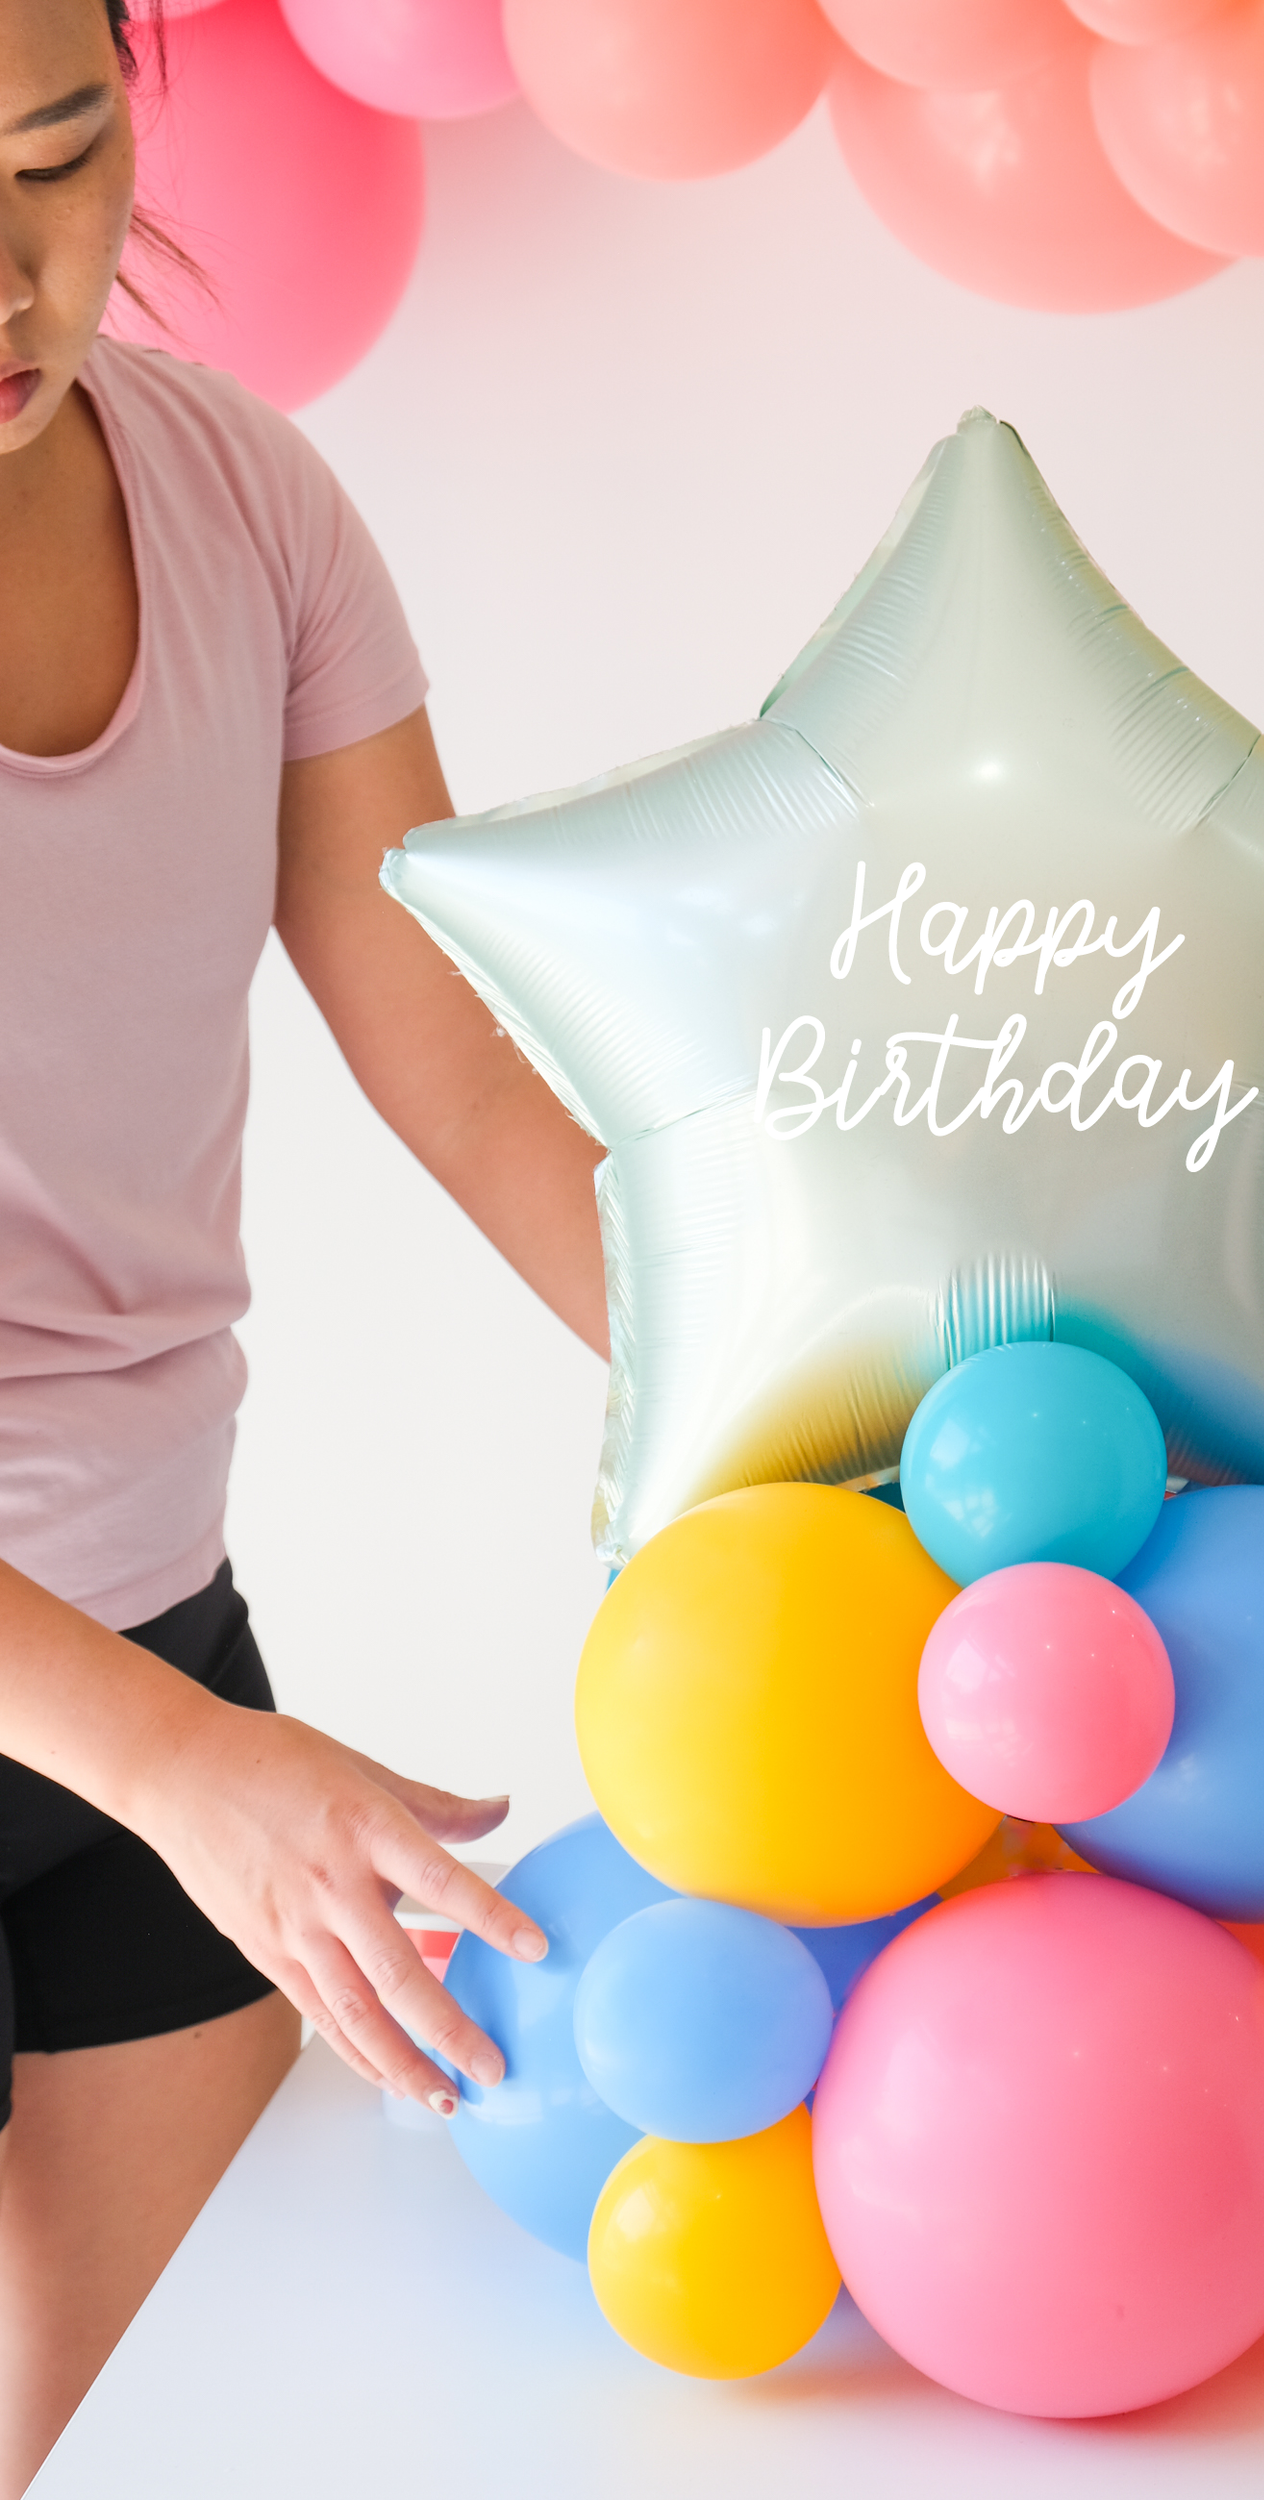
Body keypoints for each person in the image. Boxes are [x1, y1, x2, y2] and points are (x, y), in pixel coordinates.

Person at [0, 0, 611, 2483]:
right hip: (152, 1733)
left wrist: (800, 1401)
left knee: (175, 2436)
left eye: (52, 152)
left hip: (149, 1639)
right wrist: (196, 1777)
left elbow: (458, 1065)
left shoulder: (245, 501)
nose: (9, 270)